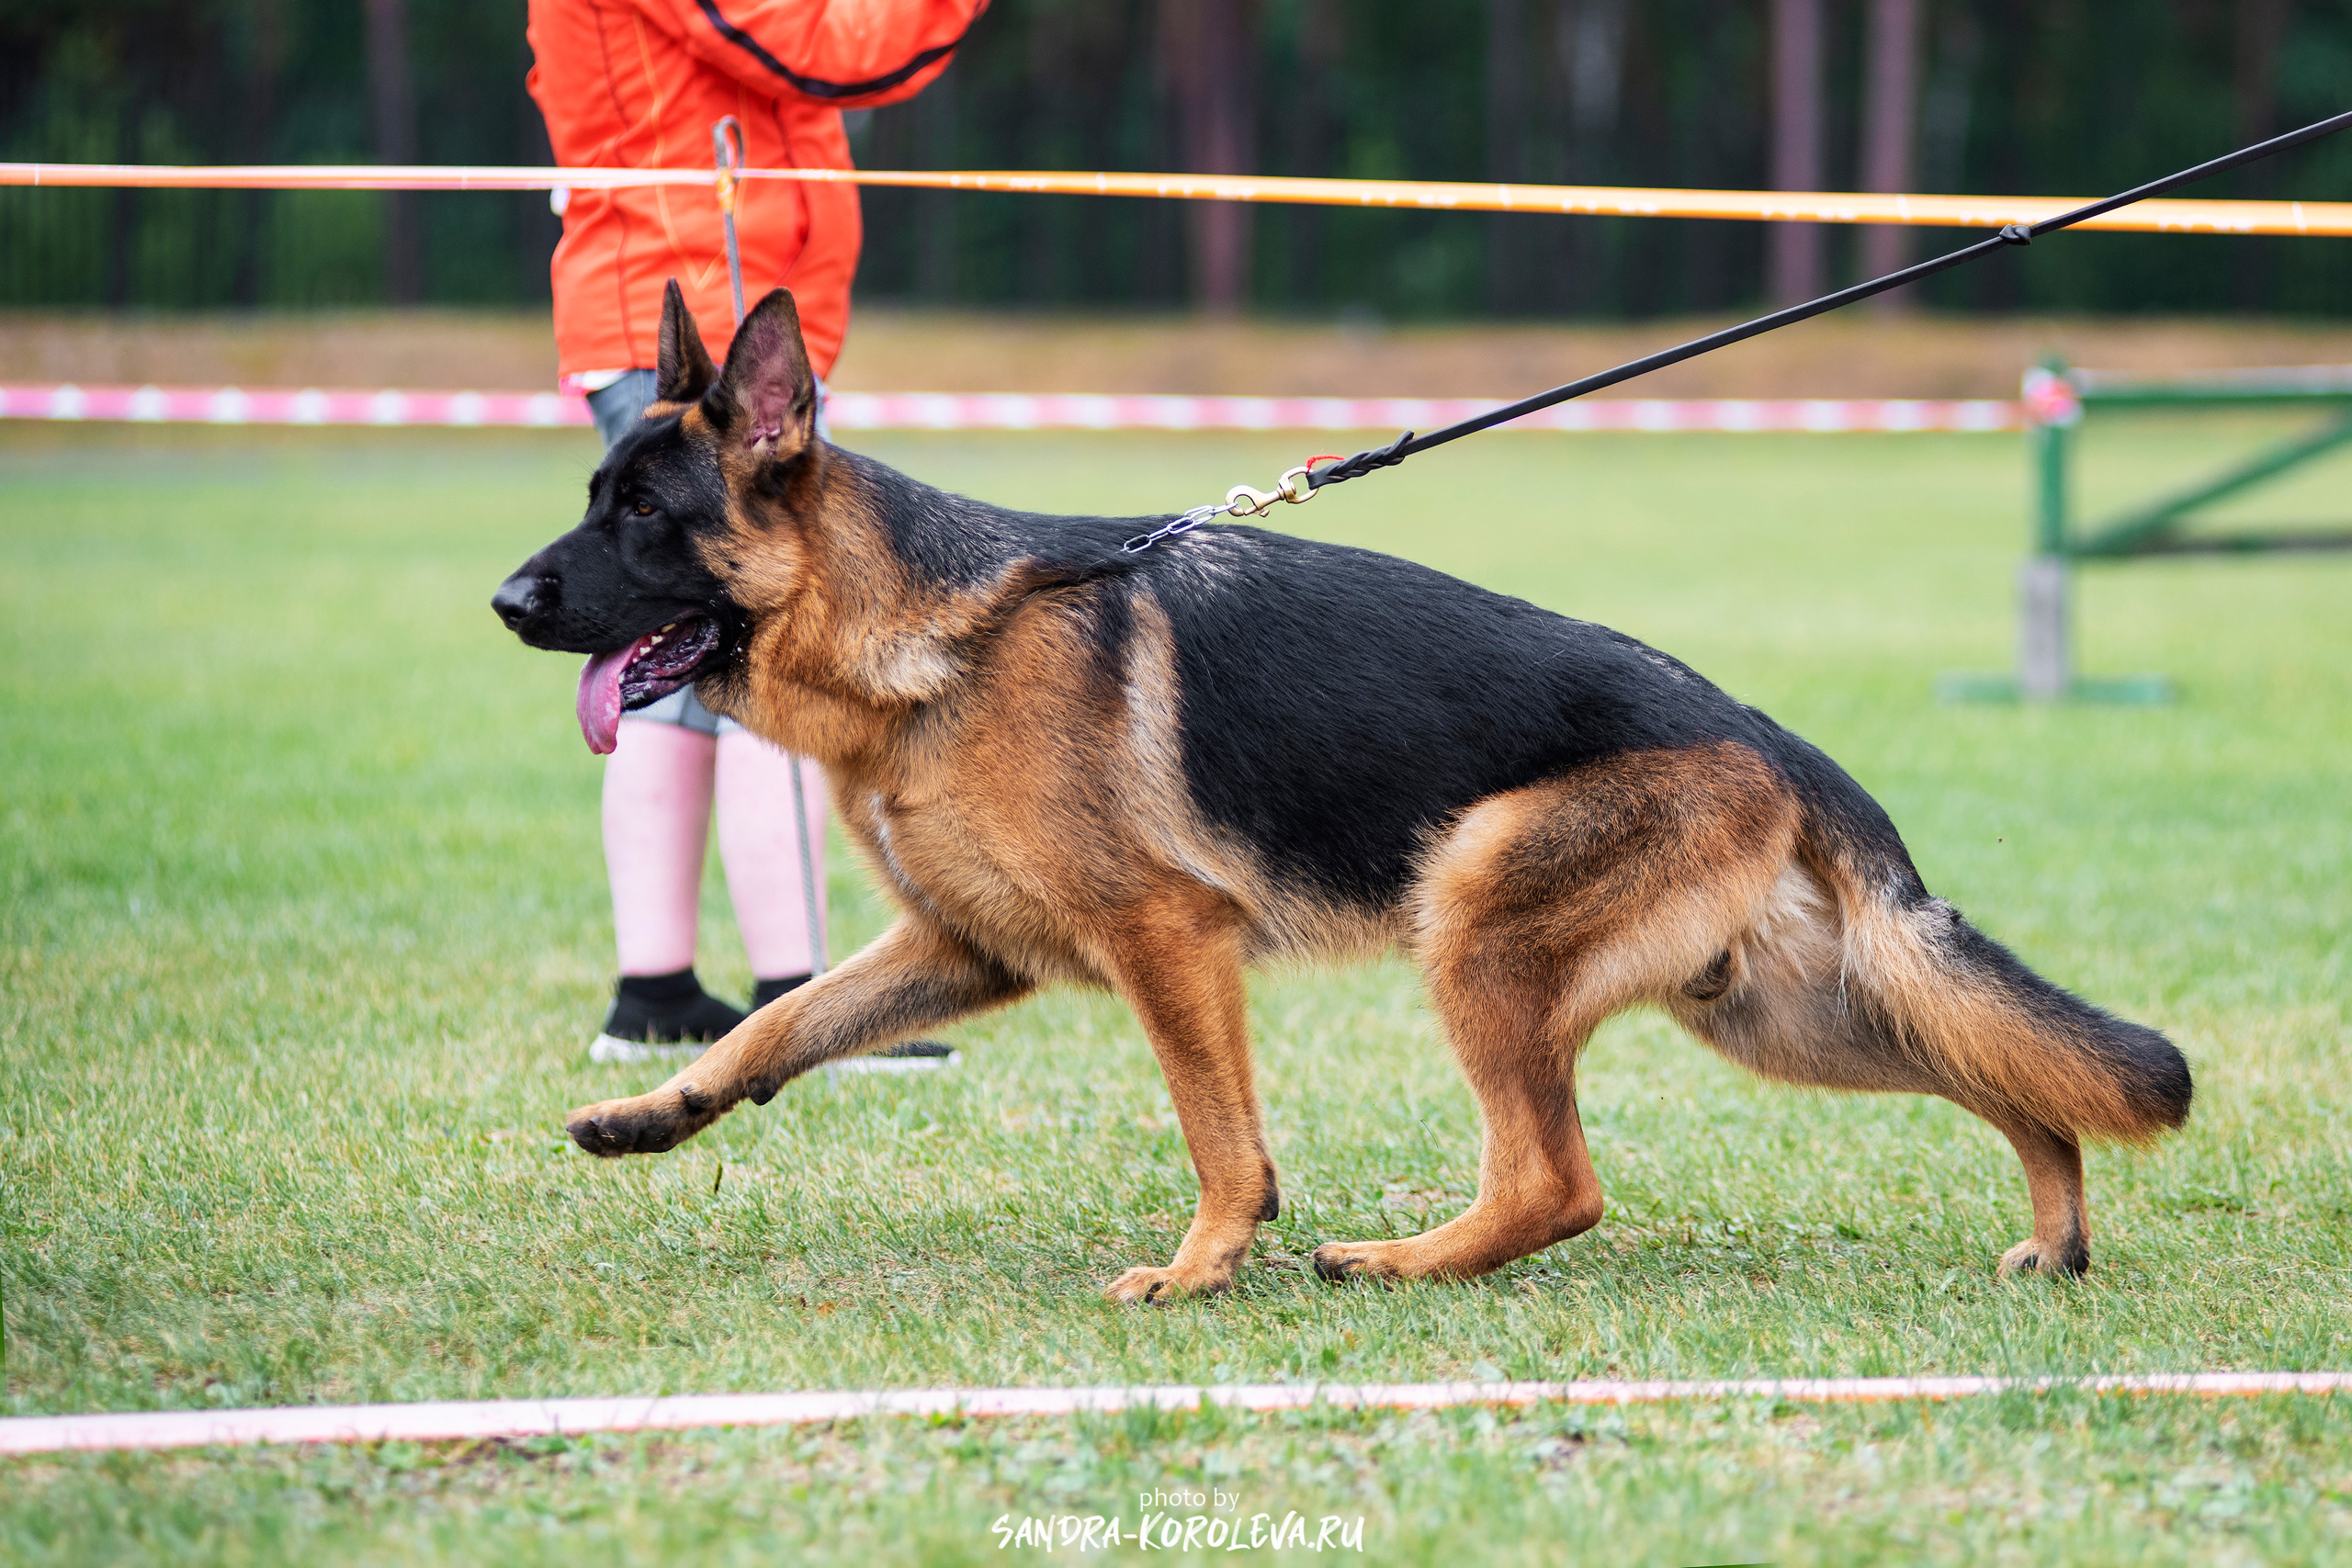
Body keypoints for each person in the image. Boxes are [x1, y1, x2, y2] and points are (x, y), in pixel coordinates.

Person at [526, 0, 988, 1064]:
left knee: (672, 652)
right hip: (689, 292)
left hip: (693, 284)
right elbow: (822, 50)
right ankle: (807, 997)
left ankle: (654, 995)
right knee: (760, 638)